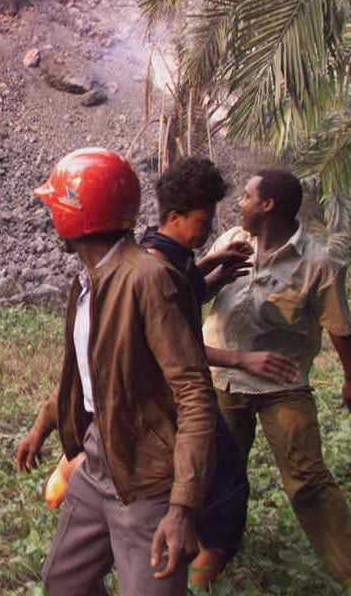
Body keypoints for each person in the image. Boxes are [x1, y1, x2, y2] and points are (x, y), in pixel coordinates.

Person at [17, 148, 218, 596]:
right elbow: (88, 376)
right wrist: (42, 428)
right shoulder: (88, 281)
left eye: (56, 207)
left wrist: (182, 506)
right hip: (96, 459)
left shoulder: (147, 279)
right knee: (63, 581)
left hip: (146, 474)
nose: (51, 218)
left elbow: (194, 395)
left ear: (75, 216)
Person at [202, 169, 351, 595]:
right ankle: (213, 552)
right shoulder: (230, 242)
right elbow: (193, 293)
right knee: (217, 471)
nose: (240, 201)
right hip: (223, 378)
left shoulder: (317, 263)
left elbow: (341, 328)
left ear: (268, 205)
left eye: (246, 195)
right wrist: (214, 274)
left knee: (308, 479)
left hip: (283, 386)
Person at [139, 157, 254, 590]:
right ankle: (202, 576)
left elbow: (188, 287)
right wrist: (242, 360)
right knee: (227, 485)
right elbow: (179, 341)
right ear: (174, 217)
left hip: (170, 396)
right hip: (182, 396)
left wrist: (214, 269)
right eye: (202, 221)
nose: (208, 230)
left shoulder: (167, 252)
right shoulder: (161, 271)